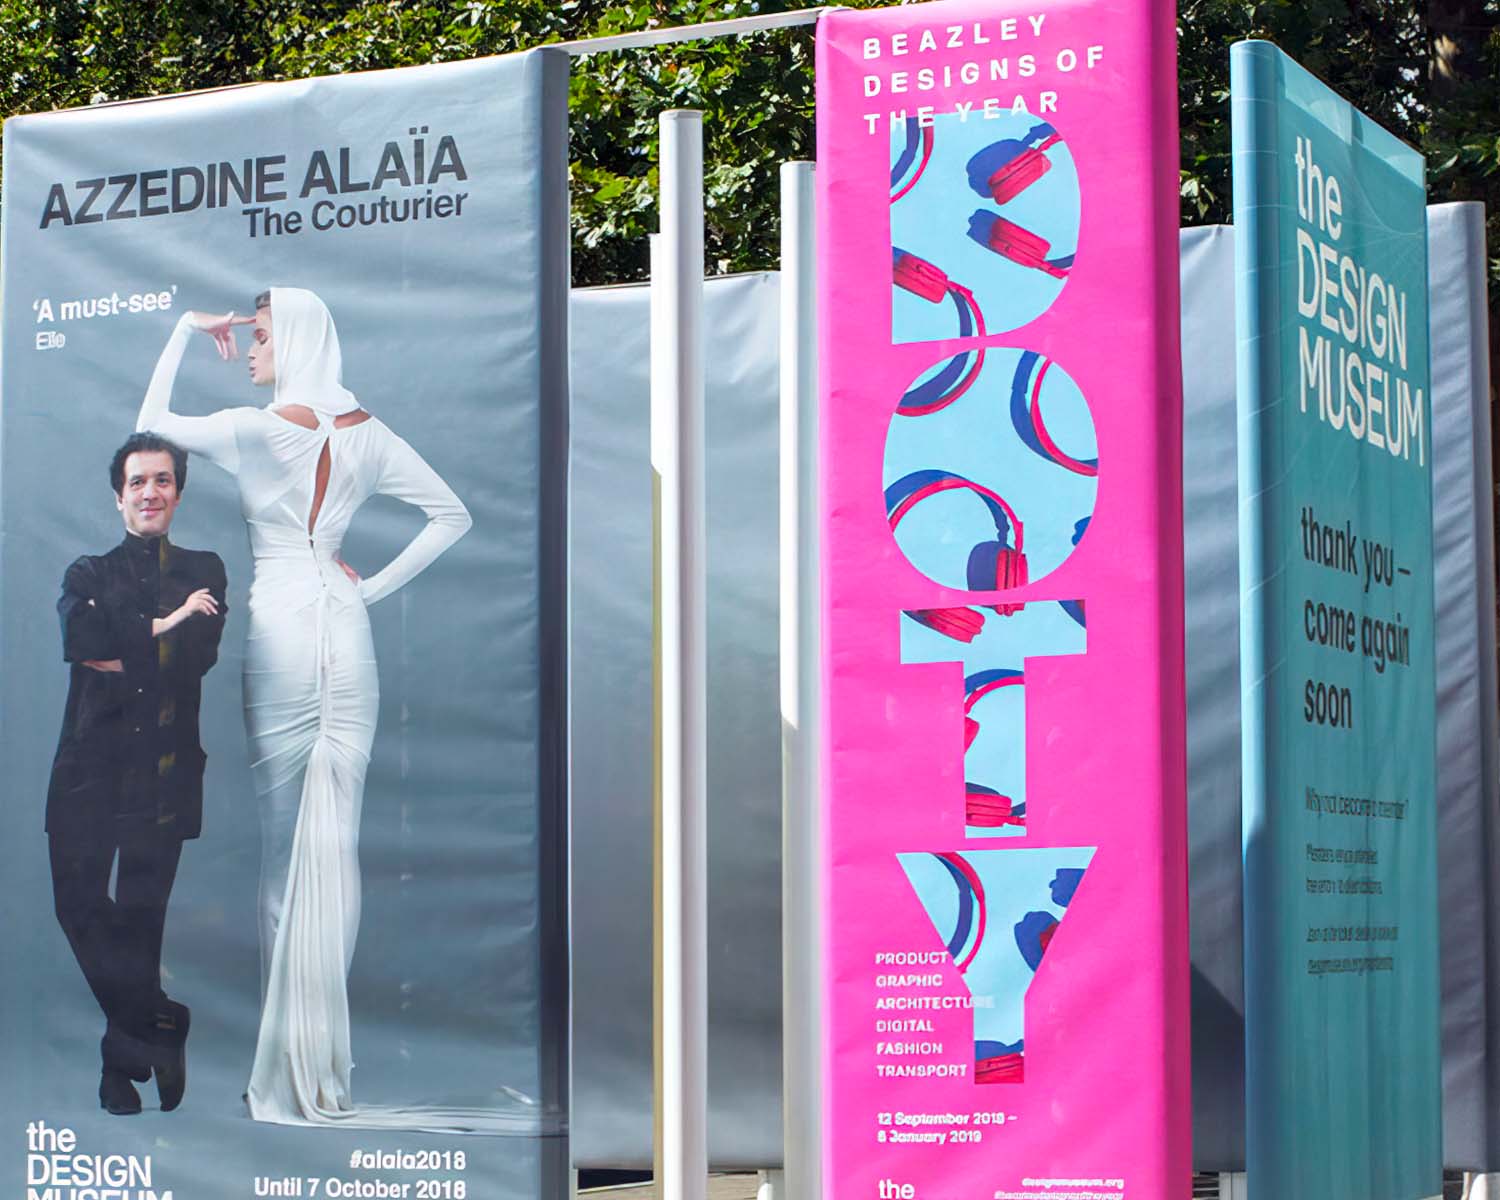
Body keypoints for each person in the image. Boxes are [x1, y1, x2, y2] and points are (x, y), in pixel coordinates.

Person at [137, 288, 473, 1129]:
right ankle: (324, 1073)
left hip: (286, 632)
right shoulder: (371, 432)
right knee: (337, 852)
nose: (250, 351)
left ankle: (285, 1079)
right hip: (346, 631)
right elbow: (452, 516)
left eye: (258, 337)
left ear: (291, 339)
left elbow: (150, 424)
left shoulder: (255, 429)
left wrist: (184, 330)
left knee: (287, 855)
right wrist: (371, 588)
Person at [48, 432, 227, 1115]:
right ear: (118, 497)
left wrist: (131, 636)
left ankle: (118, 1072)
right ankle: (162, 1020)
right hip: (86, 770)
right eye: (137, 482)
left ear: (178, 493)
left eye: (162, 480)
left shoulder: (204, 571)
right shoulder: (86, 573)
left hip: (164, 772)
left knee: (140, 923)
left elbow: (193, 659)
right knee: (78, 906)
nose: (149, 492)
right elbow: (80, 641)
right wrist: (164, 625)